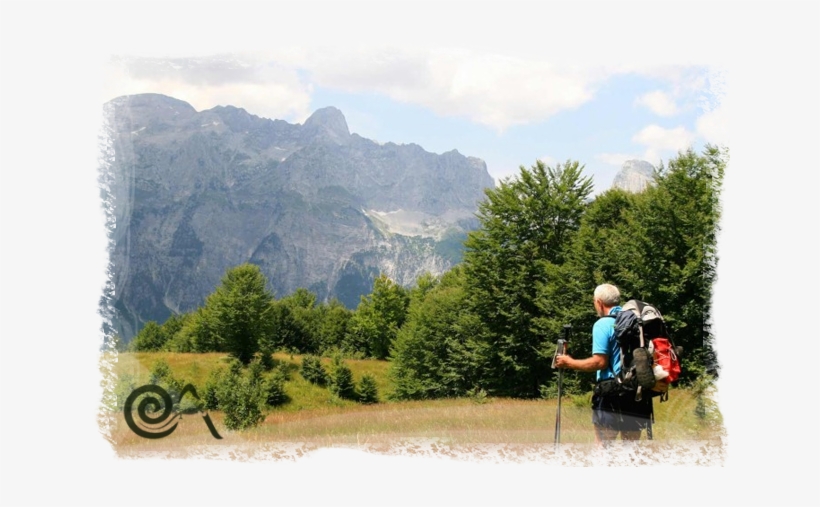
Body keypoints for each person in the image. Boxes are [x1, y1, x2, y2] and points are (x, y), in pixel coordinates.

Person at [554, 283, 651, 444]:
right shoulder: (635, 321)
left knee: (604, 449)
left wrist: (569, 362)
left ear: (599, 302)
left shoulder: (602, 324)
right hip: (635, 392)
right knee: (632, 450)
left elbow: (599, 362)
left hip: (610, 392)